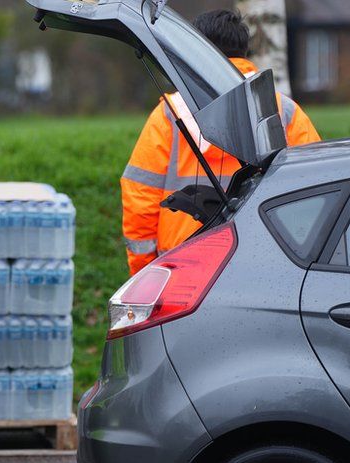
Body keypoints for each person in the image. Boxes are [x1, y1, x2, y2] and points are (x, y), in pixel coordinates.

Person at [121, 9, 321, 276]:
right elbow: (317, 193)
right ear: (245, 52)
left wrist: (145, 272)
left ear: (194, 50)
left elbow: (140, 197)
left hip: (181, 268)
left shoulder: (171, 113)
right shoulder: (284, 112)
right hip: (264, 264)